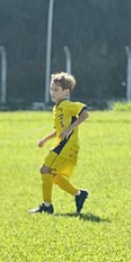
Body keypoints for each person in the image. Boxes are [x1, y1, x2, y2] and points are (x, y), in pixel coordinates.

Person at [30, 72, 90, 215]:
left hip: (67, 146)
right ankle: (78, 194)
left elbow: (85, 114)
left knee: (45, 170)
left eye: (56, 90)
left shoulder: (67, 105)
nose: (52, 92)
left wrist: (70, 129)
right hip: (62, 145)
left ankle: (47, 206)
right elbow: (59, 131)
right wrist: (45, 139)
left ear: (66, 92)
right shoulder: (57, 108)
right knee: (54, 176)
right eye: (51, 89)